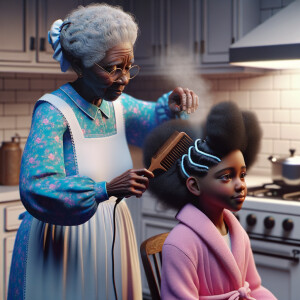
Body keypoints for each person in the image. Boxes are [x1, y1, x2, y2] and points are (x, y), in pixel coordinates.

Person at [7, 3, 199, 300]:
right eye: (112, 69)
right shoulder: (53, 111)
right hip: (62, 242)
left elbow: (151, 123)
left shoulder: (116, 106)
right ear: (83, 65)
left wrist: (169, 108)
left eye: (128, 66)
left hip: (111, 234)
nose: (124, 78)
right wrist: (103, 188)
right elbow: (36, 186)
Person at [143, 101, 277, 299]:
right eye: (226, 177)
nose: (240, 185)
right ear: (195, 186)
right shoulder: (181, 244)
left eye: (242, 175)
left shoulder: (238, 234)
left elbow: (254, 288)